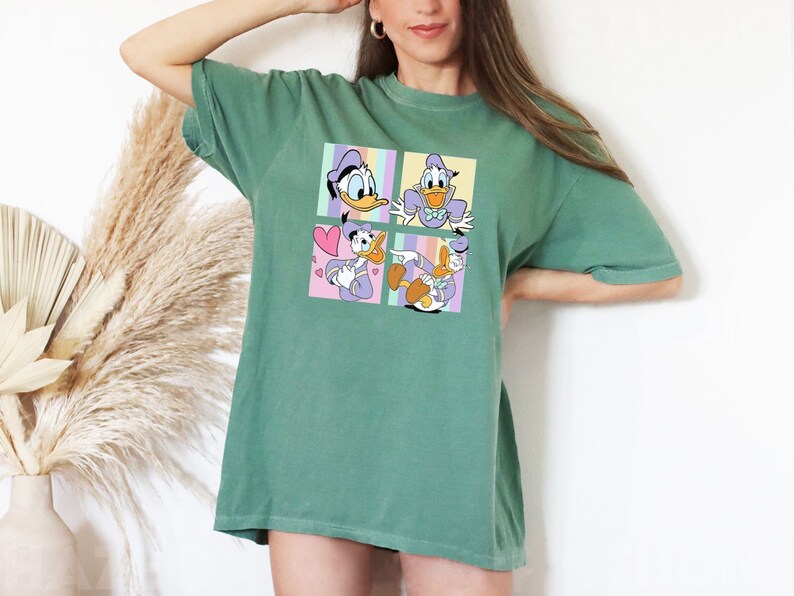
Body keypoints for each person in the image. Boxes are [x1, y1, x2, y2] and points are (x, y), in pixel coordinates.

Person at [120, 0, 684, 593]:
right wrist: (302, 1)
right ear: (374, 11)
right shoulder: (302, 112)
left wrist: (519, 282)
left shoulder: (533, 132)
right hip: (312, 443)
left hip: (448, 449)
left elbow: (652, 271)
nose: (426, 4)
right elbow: (146, 53)